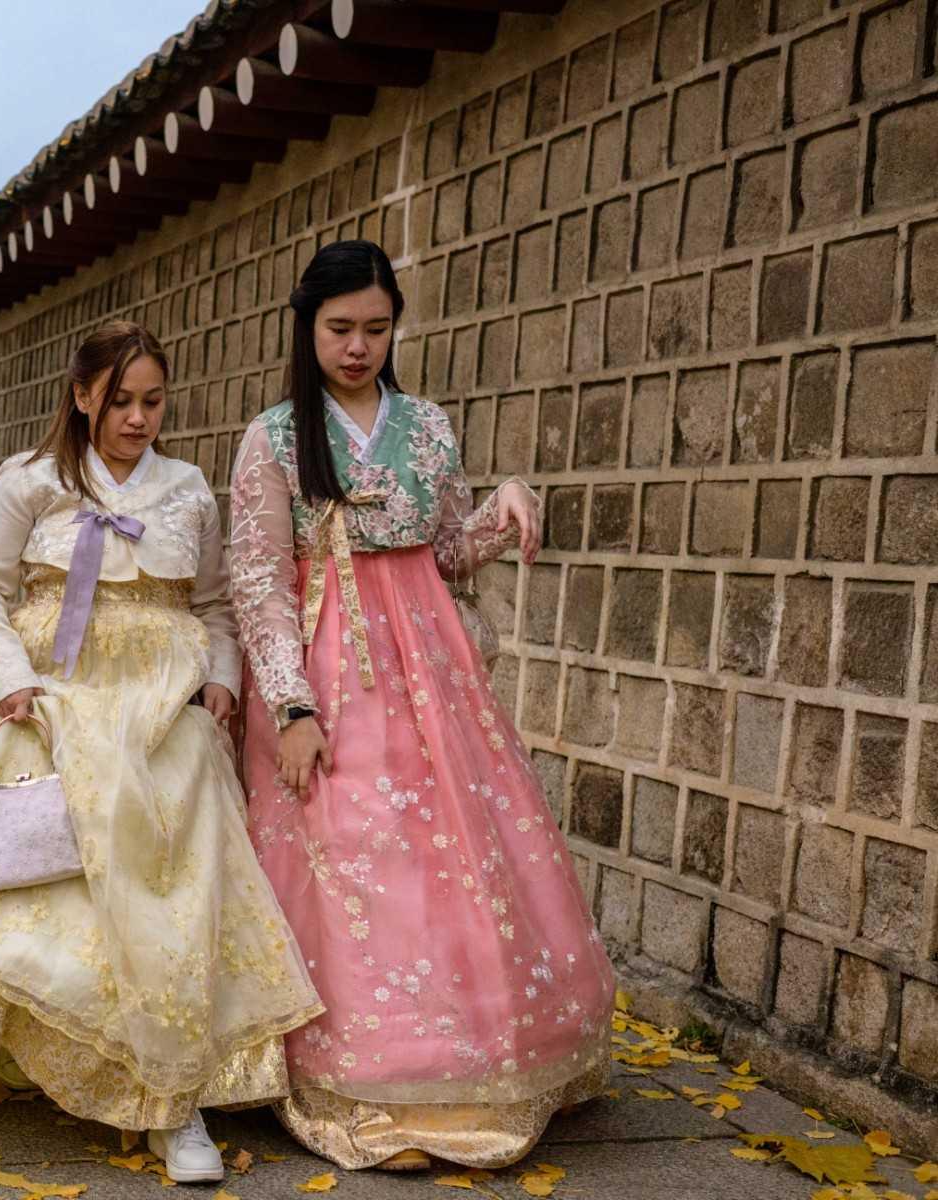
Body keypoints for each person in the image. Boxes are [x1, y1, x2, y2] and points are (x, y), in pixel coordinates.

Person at [0, 321, 321, 1185]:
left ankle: (173, 1091)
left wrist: (223, 678)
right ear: (82, 396)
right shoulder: (31, 480)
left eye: (152, 401)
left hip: (157, 700)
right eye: (120, 400)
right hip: (47, 686)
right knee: (15, 854)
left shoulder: (188, 488)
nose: (138, 417)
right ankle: (27, 1034)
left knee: (167, 875)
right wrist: (11, 679)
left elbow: (218, 602)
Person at [228, 241, 615, 1173]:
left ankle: (468, 1067)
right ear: (307, 327)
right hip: (326, 668)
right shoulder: (277, 436)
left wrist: (505, 506)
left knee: (454, 858)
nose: (358, 347)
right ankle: (360, 1079)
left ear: (396, 325)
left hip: (431, 668)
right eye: (338, 329)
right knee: (355, 857)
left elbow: (442, 551)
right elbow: (256, 580)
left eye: (375, 327)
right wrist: (289, 707)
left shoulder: (430, 428)